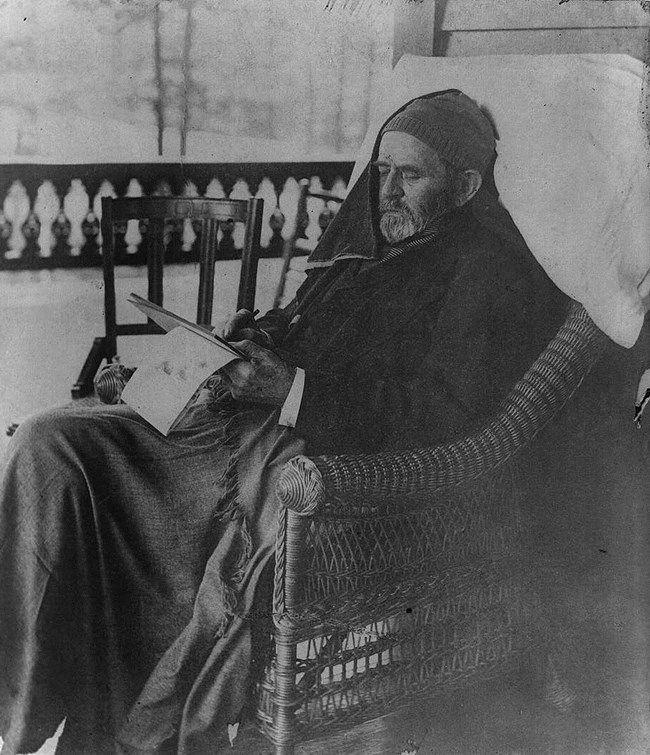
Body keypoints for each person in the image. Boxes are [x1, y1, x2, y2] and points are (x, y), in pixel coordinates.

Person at [0, 91, 567, 754]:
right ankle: (15, 714)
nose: (385, 191)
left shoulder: (487, 273)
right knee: (49, 442)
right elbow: (300, 324)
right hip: (238, 428)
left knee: (87, 471)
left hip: (310, 462)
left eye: (410, 175)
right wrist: (214, 354)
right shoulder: (365, 247)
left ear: (466, 186)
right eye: (382, 170)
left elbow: (441, 413)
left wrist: (293, 388)